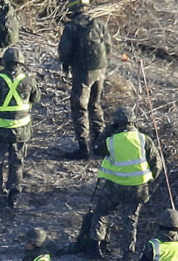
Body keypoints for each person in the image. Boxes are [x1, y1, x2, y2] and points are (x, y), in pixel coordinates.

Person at [69, 107, 163, 260]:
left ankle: (97, 246)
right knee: (130, 219)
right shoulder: (143, 139)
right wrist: (149, 180)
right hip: (138, 188)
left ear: (116, 123)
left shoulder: (111, 141)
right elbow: (157, 163)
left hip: (115, 186)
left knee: (101, 212)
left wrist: (106, 131)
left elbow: (97, 149)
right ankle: (128, 253)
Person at [0, 47, 40, 209]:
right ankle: (14, 195)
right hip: (21, 131)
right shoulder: (29, 81)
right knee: (17, 162)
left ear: (4, 62)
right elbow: (36, 98)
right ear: (21, 63)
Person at [57, 0, 112, 160]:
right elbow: (108, 46)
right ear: (87, 7)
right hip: (100, 70)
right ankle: (99, 144)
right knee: (95, 105)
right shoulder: (99, 24)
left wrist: (66, 65)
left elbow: (64, 51)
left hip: (82, 72)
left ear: (72, 9)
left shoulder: (71, 27)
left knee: (79, 107)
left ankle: (83, 148)